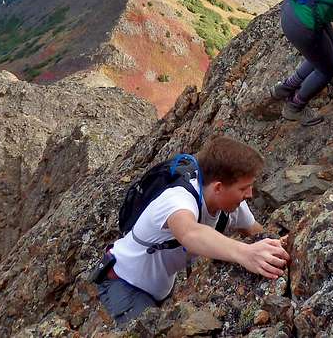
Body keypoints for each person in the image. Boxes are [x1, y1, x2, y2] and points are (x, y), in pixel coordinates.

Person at [96, 136, 288, 327]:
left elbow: (256, 232)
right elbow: (189, 233)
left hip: (160, 289)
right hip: (123, 283)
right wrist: (244, 253)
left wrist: (279, 244)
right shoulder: (177, 199)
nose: (250, 194)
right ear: (218, 187)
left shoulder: (232, 206)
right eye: (243, 188)